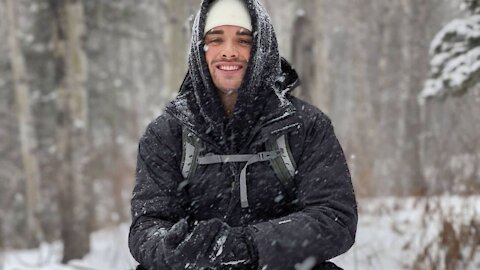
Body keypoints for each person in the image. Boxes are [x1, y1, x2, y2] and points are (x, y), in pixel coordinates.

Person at [128, 0, 358, 269]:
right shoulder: (166, 134)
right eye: (215, 39)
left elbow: (334, 218)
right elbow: (147, 226)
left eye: (244, 40)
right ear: (198, 51)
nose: (229, 52)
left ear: (263, 48)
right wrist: (176, 250)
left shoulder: (306, 126)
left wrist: (249, 245)